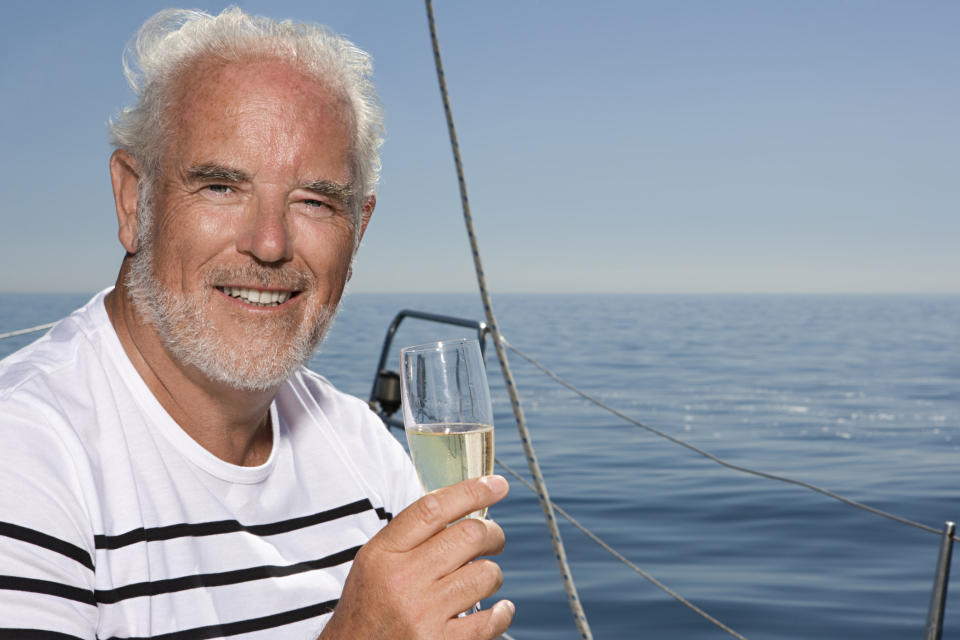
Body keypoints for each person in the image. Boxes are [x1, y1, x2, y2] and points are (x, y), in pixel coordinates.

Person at [0, 7, 514, 640]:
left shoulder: (364, 450)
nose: (269, 244)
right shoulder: (23, 456)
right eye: (220, 187)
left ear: (359, 231)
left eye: (315, 202)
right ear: (135, 201)